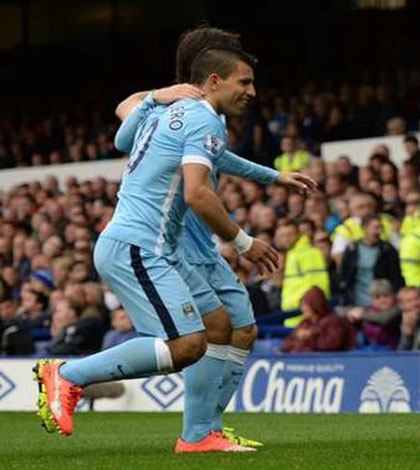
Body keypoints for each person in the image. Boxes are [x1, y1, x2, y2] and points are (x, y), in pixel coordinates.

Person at [33, 43, 282, 452]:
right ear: (214, 80)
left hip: (152, 246)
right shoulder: (204, 119)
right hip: (138, 246)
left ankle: (200, 435)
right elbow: (197, 194)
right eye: (245, 82)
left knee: (220, 325)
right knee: (187, 345)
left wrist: (272, 177)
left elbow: (122, 135)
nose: (251, 92)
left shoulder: (166, 112)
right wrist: (244, 242)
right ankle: (68, 375)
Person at [113, 27, 317, 452]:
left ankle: (207, 430)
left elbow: (219, 158)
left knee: (242, 328)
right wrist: (157, 94)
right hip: (176, 237)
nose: (250, 87)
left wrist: (273, 176)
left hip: (199, 239)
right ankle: (198, 431)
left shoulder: (208, 113)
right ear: (209, 72)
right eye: (236, 65)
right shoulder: (180, 103)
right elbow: (124, 112)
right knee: (203, 335)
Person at [339, 216, 404, 307]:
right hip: (357, 300)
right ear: (364, 228)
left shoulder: (387, 249)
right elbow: (345, 275)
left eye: (381, 227)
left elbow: (396, 276)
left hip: (381, 301)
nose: (379, 231)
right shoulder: (352, 249)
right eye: (375, 227)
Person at [275, 221, 330, 325]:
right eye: (282, 235)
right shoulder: (292, 254)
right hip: (292, 316)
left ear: (298, 234)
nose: (286, 239)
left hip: (306, 317)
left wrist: (309, 310)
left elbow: (318, 285)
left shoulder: (309, 253)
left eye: (289, 235)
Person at [281, 286, 356, 353]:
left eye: (306, 305)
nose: (303, 309)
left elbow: (332, 344)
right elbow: (289, 342)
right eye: (302, 305)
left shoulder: (333, 322)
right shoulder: (305, 323)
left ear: (315, 305)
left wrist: (310, 336)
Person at [346, 279, 401, 350]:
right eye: (377, 297)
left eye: (386, 296)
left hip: (391, 350)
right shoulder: (368, 310)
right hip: (369, 349)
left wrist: (361, 315)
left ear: (393, 296)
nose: (382, 300)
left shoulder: (397, 310)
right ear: (372, 300)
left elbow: (384, 319)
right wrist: (351, 314)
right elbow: (343, 311)